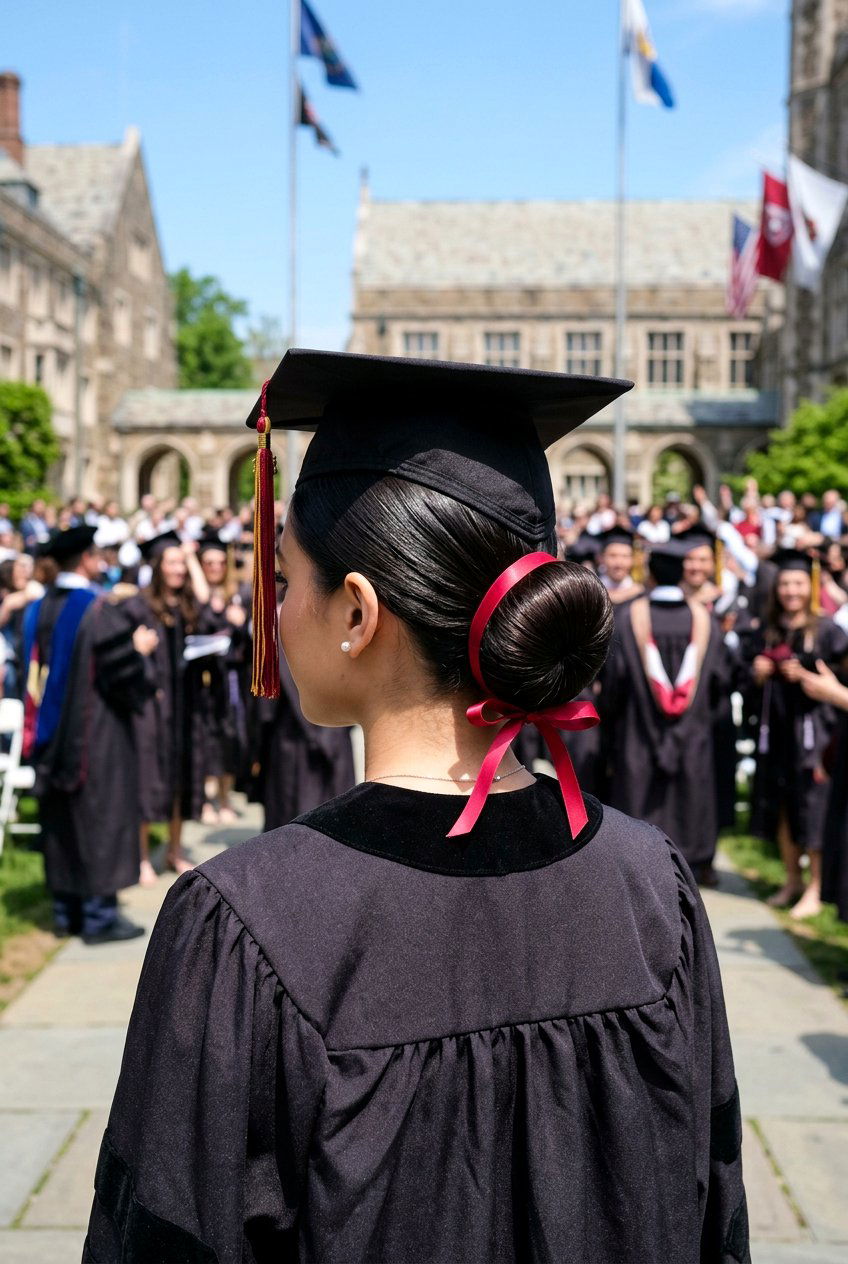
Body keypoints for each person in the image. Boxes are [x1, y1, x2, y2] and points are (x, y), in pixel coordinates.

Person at [85, 350, 747, 1263]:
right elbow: (716, 1219)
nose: (274, 607)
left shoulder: (249, 928)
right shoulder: (651, 891)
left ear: (356, 613)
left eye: (282, 581)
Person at [21, 526, 154, 944]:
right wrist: (140, 655)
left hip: (50, 737)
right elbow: (124, 678)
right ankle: (98, 917)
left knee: (62, 819)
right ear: (85, 559)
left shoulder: (38, 609)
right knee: (100, 815)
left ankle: (66, 912)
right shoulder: (97, 610)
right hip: (95, 734)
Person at [602, 538, 730, 884]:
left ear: (651, 574)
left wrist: (613, 723)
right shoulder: (704, 620)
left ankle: (638, 865)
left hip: (639, 733)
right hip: (693, 733)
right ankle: (696, 864)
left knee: (641, 793)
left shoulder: (628, 619)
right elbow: (721, 680)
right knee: (691, 791)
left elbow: (613, 682)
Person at [748, 549, 848, 919]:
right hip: (778, 732)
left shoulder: (828, 630)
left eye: (798, 583)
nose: (790, 590)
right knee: (784, 805)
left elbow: (837, 682)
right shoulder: (768, 628)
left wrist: (805, 677)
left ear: (811, 586)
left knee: (814, 807)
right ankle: (792, 879)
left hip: (816, 734)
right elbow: (746, 675)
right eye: (785, 583)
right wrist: (759, 672)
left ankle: (816, 887)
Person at [121, 532, 211, 885]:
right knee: (148, 777)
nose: (178, 570)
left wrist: (191, 559)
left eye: (181, 564)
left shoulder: (185, 604)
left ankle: (175, 848)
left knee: (180, 776)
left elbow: (206, 602)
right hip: (152, 706)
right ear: (158, 567)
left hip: (184, 704)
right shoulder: (140, 605)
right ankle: (141, 857)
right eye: (171, 563)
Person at [594, 525, 644, 605]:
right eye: (613, 556)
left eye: (625, 556)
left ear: (632, 559)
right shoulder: (592, 593)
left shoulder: (641, 595)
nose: (619, 563)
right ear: (601, 558)